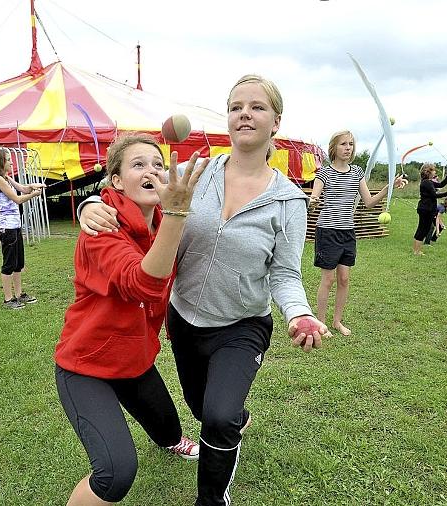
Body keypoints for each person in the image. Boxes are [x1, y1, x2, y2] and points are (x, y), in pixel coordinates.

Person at [79, 74, 328, 506]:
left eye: (256, 107)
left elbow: (286, 274)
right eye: (236, 107)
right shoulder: (195, 174)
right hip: (185, 319)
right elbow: (131, 191)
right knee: (201, 406)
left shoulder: (289, 201)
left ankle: (212, 499)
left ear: (276, 122)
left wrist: (299, 312)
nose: (244, 114)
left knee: (217, 416)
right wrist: (90, 205)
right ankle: (235, 418)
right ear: (228, 119)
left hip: (241, 324)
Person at [55, 133, 208, 505]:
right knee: (115, 474)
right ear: (117, 181)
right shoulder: (102, 228)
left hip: (135, 361)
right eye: (138, 164)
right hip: (86, 367)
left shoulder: (160, 220)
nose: (152, 171)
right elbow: (142, 284)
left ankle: (172, 441)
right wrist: (174, 214)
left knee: (169, 430)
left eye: (158, 164)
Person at [308, 130, 405, 336]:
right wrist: (312, 202)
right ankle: (321, 323)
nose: (348, 148)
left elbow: (369, 202)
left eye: (351, 144)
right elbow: (314, 200)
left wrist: (389, 187)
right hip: (328, 231)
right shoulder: (324, 173)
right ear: (334, 147)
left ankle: (337, 321)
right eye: (343, 144)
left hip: (347, 232)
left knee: (344, 279)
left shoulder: (357, 172)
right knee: (328, 280)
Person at [0, 148, 45, 309]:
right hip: (7, 228)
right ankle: (8, 299)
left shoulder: (6, 178)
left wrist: (33, 186)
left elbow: (23, 189)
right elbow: (18, 199)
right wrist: (33, 195)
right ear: (0, 162)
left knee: (18, 263)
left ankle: (19, 294)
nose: (11, 162)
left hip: (15, 226)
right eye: (8, 159)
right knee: (9, 264)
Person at [412, 163, 447, 255]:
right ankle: (417, 251)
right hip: (426, 209)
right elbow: (434, 195)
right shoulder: (426, 182)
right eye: (434, 170)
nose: (435, 171)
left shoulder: (428, 181)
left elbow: (441, 184)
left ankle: (416, 250)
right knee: (424, 229)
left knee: (422, 229)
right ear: (428, 171)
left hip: (425, 208)